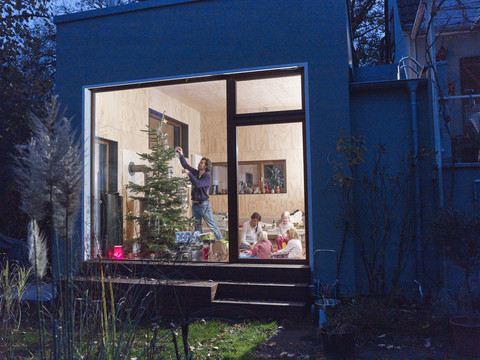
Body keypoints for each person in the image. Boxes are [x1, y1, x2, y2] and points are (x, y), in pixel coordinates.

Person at [176, 147, 222, 241]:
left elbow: (197, 184)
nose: (199, 163)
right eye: (200, 162)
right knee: (197, 226)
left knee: (211, 225)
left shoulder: (207, 177)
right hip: (195, 205)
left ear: (205, 166)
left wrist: (189, 174)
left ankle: (221, 242)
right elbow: (186, 165)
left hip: (203, 205)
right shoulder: (197, 173)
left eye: (201, 163)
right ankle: (201, 245)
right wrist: (181, 154)